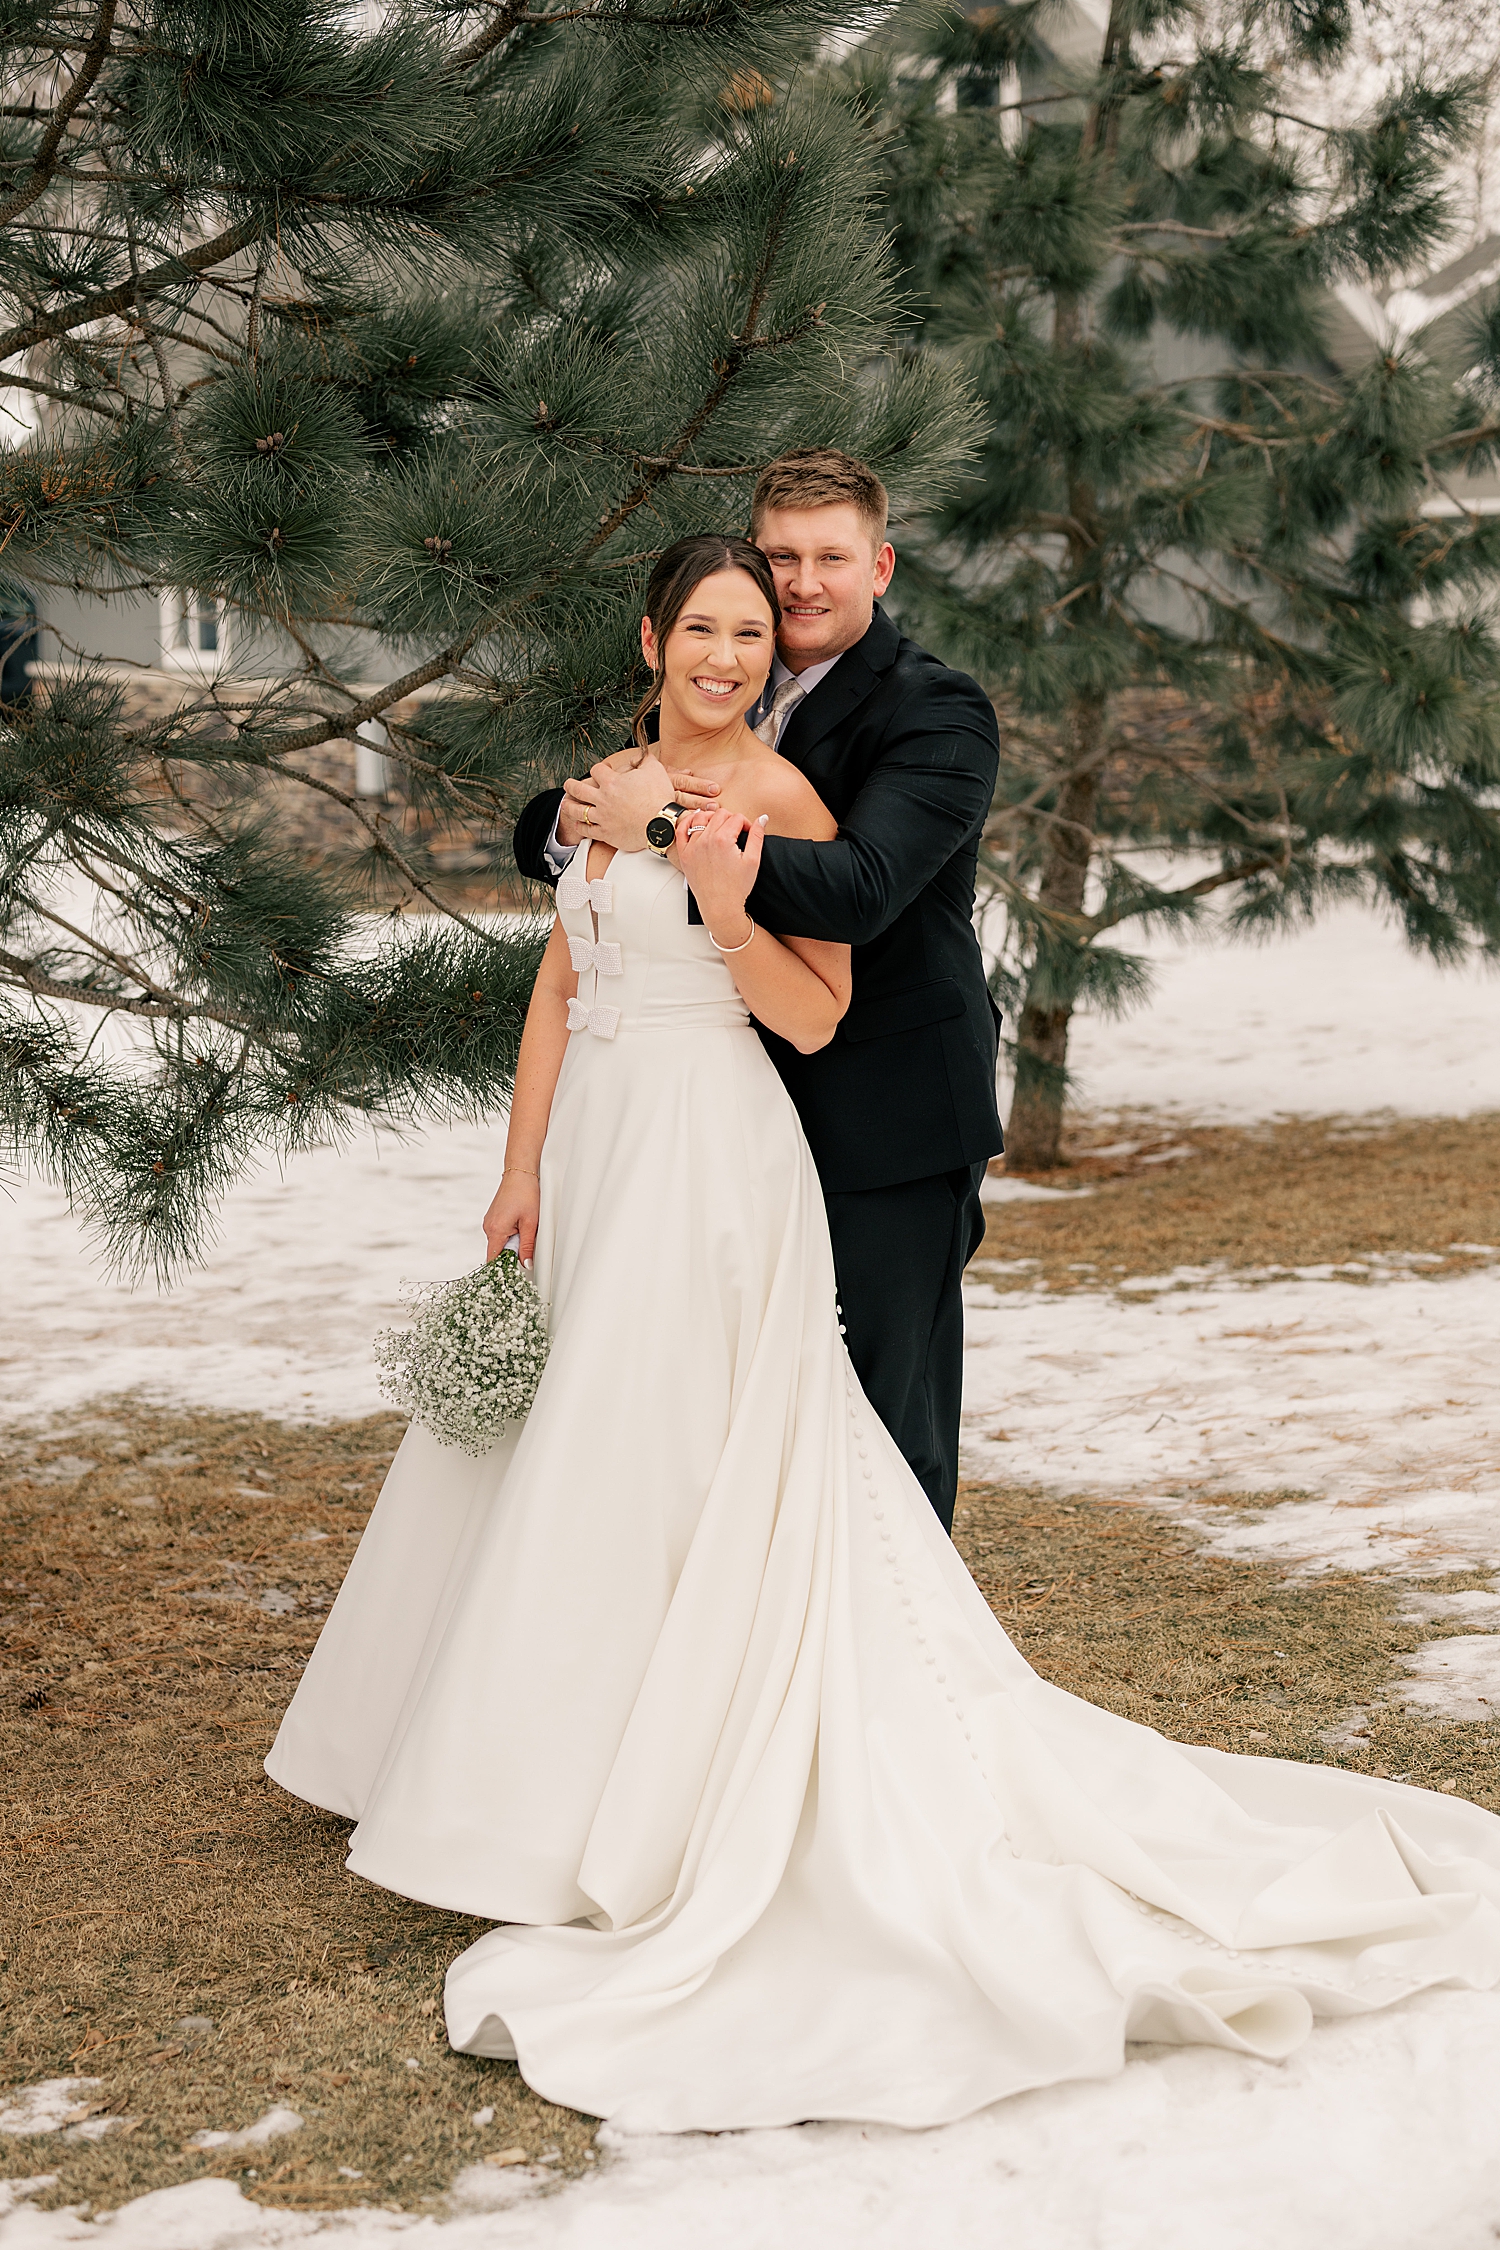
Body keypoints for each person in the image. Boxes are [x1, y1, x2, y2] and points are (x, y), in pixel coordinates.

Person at [267, 532, 1500, 2139]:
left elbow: (814, 1010)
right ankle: (506, 1767)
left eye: (744, 628)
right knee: (558, 1454)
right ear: (651, 637)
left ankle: (655, 1801)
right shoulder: (595, 784)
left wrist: (713, 878)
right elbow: (561, 981)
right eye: (701, 625)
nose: (723, 653)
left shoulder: (777, 797)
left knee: (674, 1454)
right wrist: (518, 1163)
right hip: (597, 1157)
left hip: (714, 1163)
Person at [511, 449, 1003, 1533]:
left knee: (877, 1419)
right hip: (725, 1114)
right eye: (781, 555)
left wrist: (663, 835)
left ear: (880, 564)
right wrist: (568, 820)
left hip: (888, 1112)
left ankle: (885, 1683)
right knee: (730, 1419)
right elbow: (580, 809)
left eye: (831, 556)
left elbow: (865, 888)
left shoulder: (938, 712)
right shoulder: (728, 677)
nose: (802, 581)